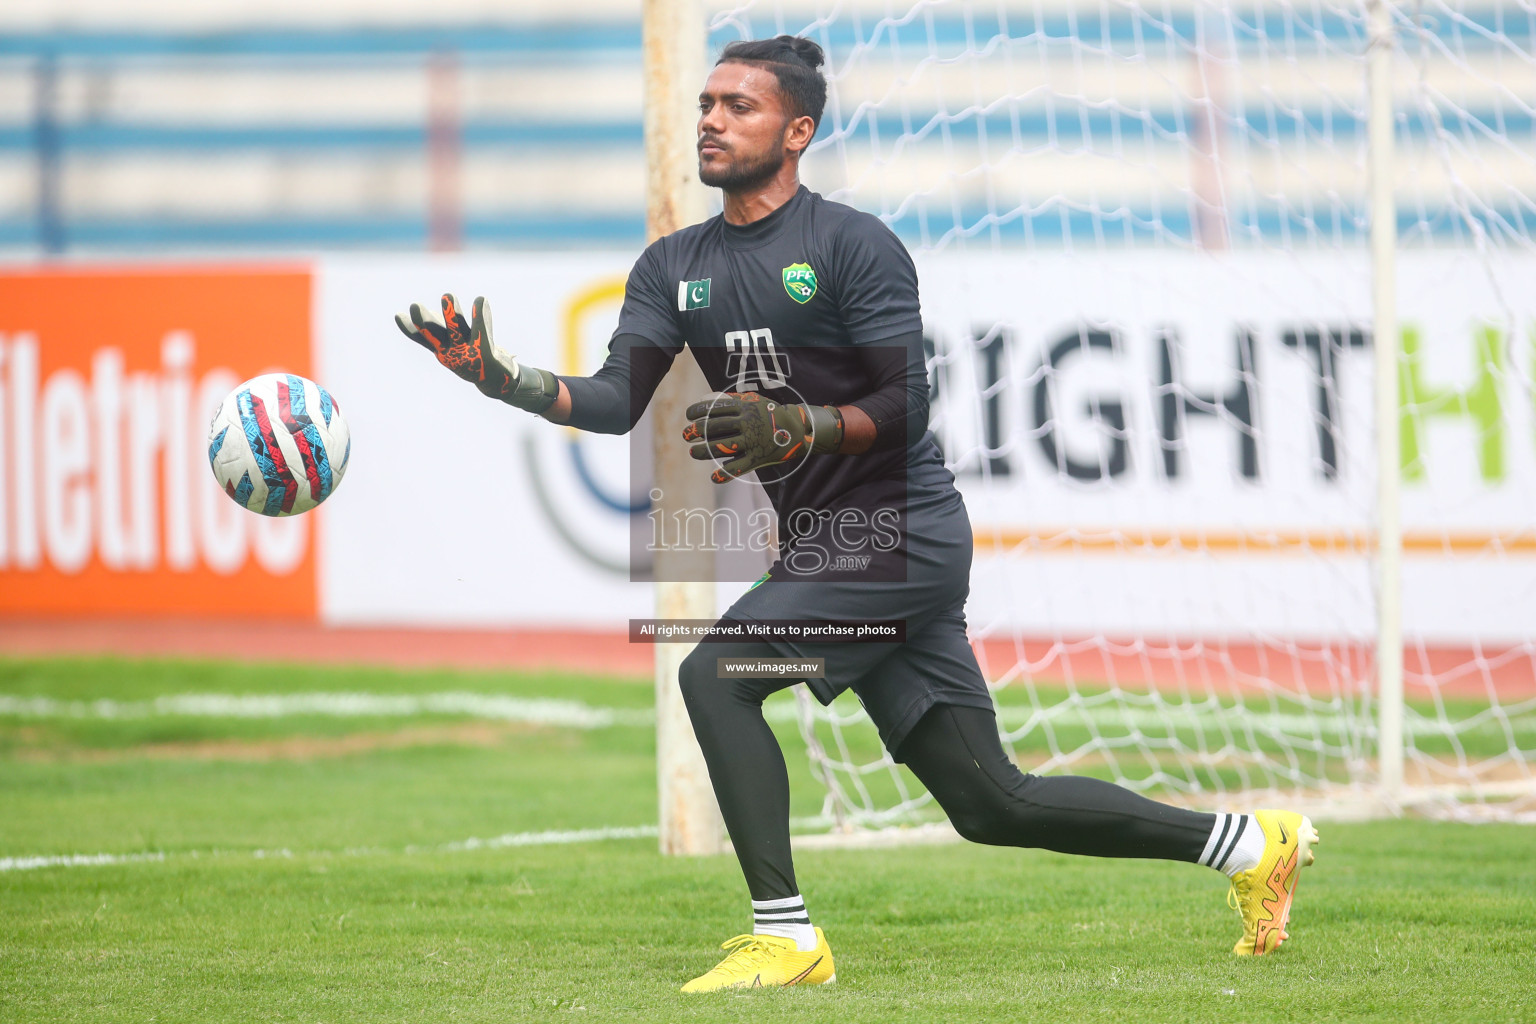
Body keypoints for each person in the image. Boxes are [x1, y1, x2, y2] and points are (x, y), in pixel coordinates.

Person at [394, 34, 1320, 993]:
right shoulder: (671, 265)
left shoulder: (851, 244)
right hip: (834, 547)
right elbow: (615, 398)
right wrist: (505, 379)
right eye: (705, 103)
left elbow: (906, 401)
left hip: (901, 532)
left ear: (798, 131)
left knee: (718, 674)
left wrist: (795, 424)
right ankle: (1252, 844)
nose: (710, 119)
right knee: (991, 803)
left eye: (737, 106)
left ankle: (786, 937)